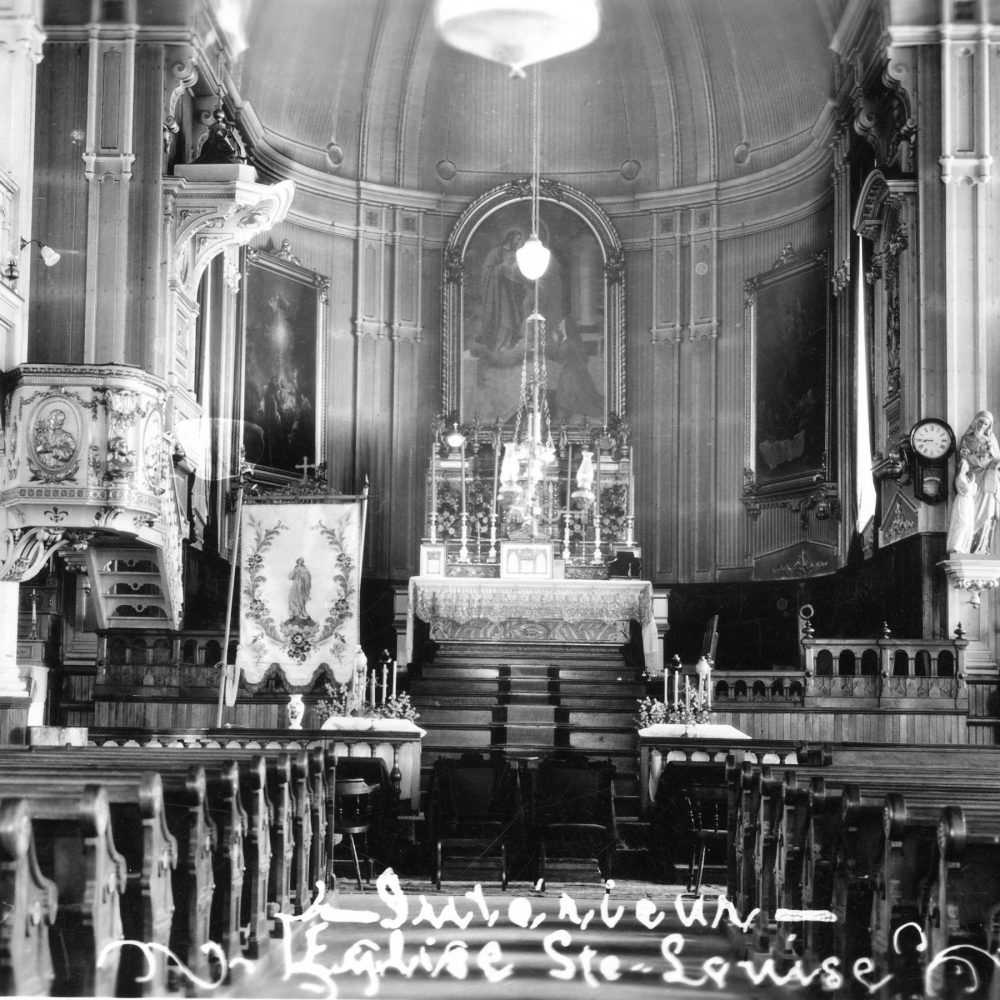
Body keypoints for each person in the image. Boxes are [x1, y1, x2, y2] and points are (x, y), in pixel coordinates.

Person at [954, 410, 1000, 553]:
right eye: (981, 422)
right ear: (975, 421)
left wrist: (991, 457)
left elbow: (996, 458)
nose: (982, 426)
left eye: (986, 424)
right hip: (973, 480)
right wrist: (974, 458)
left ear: (989, 426)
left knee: (988, 513)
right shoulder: (967, 439)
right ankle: (970, 546)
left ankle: (983, 547)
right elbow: (963, 460)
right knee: (972, 512)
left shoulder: (991, 440)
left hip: (989, 480)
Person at [477, 229, 530, 352]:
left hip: (515, 291)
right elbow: (486, 271)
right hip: (500, 292)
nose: (518, 243)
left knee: (516, 316)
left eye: (520, 240)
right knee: (506, 316)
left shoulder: (516, 254)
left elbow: (521, 273)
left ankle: (509, 344)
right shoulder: (496, 252)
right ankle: (500, 345)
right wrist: (503, 266)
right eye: (517, 240)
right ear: (510, 238)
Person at [550, 316, 604, 422]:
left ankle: (572, 412)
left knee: (574, 394)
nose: (560, 325)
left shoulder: (571, 341)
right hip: (567, 370)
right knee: (566, 393)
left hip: (572, 372)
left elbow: (561, 356)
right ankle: (567, 411)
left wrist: (556, 342)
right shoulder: (565, 339)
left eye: (562, 324)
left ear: (567, 326)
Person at [287, 557, 313, 622]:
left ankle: (302, 612)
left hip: (302, 586)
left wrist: (302, 575)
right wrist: (294, 572)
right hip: (296, 585)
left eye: (302, 561)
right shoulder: (295, 568)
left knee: (301, 600)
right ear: (297, 561)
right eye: (300, 560)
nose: (301, 562)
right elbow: (290, 577)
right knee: (292, 598)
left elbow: (308, 577)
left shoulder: (305, 569)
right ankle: (296, 613)